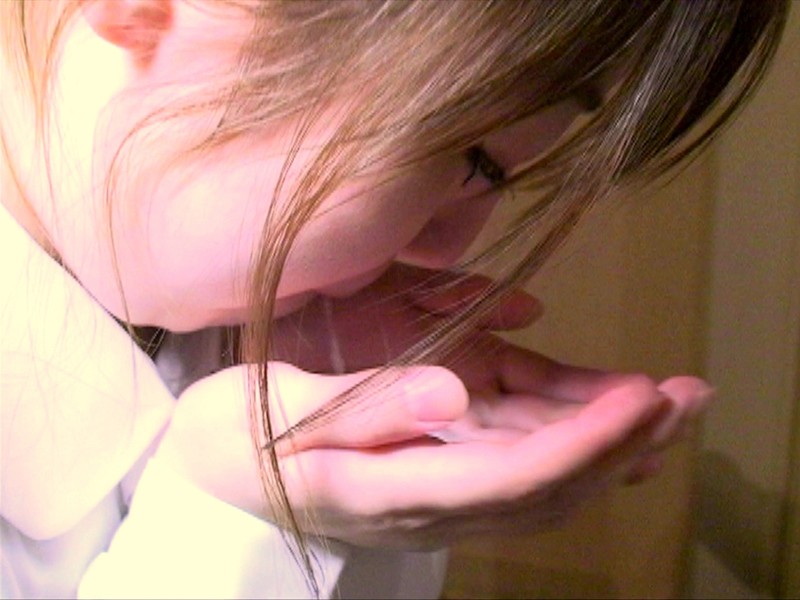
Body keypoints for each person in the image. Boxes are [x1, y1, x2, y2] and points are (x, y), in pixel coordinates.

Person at [0, 0, 788, 598]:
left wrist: (314, 439)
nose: (445, 250)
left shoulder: (195, 315)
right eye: (477, 158)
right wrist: (234, 522)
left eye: (499, 177)